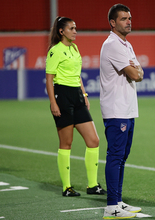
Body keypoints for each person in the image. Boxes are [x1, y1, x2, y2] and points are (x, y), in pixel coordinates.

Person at [45, 16, 106, 197]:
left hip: (77, 96)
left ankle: (93, 185)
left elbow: (77, 75)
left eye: (75, 28)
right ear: (61, 31)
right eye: (71, 28)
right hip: (62, 96)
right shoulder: (55, 51)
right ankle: (67, 187)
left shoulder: (74, 48)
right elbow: (49, 80)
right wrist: (53, 103)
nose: (75, 31)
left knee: (94, 140)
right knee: (66, 143)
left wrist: (84, 94)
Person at [99, 4, 144, 219]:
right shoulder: (112, 45)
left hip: (127, 108)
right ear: (112, 23)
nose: (129, 21)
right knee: (115, 156)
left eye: (130, 18)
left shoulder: (126, 44)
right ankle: (110, 207)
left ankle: (117, 200)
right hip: (116, 110)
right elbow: (136, 74)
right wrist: (137, 71)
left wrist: (137, 71)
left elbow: (138, 70)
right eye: (124, 18)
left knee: (122, 157)